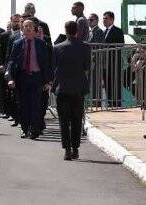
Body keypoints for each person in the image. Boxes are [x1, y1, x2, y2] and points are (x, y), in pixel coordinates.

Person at [7, 20, 53, 139]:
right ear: (22, 29)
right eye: (25, 26)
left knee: (35, 104)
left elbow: (46, 64)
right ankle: (24, 129)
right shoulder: (17, 43)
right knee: (23, 105)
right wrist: (11, 78)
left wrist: (47, 81)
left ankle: (34, 129)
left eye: (30, 26)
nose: (27, 28)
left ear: (34, 29)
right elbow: (11, 62)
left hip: (36, 77)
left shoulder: (41, 44)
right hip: (22, 77)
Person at [53, 21, 92, 161]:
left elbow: (55, 67)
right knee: (76, 120)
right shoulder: (85, 47)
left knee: (64, 121)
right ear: (77, 31)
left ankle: (67, 150)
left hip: (62, 88)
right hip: (78, 88)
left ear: (66, 31)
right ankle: (75, 149)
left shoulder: (57, 48)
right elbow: (87, 66)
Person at [0, 14, 23, 124]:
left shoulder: (24, 36)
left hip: (21, 69)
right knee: (9, 93)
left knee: (16, 94)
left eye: (18, 21)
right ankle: (11, 114)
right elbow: (1, 52)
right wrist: (1, 64)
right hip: (8, 67)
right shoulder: (5, 36)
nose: (16, 23)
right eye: (15, 21)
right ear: (11, 21)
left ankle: (19, 117)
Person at [102, 11, 125, 107]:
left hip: (114, 61)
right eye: (103, 19)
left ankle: (117, 103)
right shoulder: (104, 32)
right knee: (107, 82)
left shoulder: (118, 31)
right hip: (105, 62)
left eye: (106, 18)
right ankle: (110, 102)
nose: (104, 20)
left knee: (115, 82)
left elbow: (121, 44)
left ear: (112, 19)